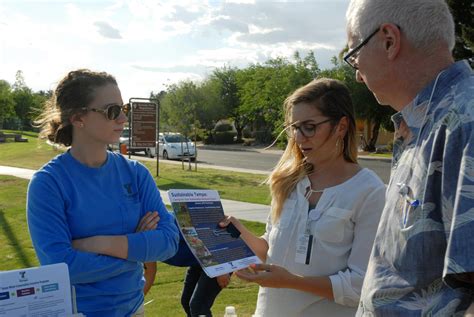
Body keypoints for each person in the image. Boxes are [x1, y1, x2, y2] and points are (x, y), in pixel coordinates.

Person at [344, 0, 474, 315]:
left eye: (353, 54)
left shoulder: (465, 120)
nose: (358, 74)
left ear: (389, 41)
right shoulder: (425, 122)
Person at [220, 78, 386, 316]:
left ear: (341, 126)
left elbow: (360, 285)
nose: (298, 138)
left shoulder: (369, 191)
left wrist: (290, 281)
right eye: (294, 128)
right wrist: (239, 233)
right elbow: (271, 250)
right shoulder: (289, 181)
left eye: (309, 127)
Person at [27, 69, 179, 316]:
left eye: (124, 109)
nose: (122, 119)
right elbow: (62, 266)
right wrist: (136, 251)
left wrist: (100, 243)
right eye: (112, 111)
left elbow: (169, 241)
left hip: (133, 309)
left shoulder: (136, 173)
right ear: (78, 118)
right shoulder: (48, 184)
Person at [145, 221, 231, 317]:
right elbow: (150, 272)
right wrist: (138, 299)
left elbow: (205, 236)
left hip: (219, 257)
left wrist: (220, 269)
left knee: (198, 306)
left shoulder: (165, 224)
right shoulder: (142, 246)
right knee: (186, 301)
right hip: (198, 262)